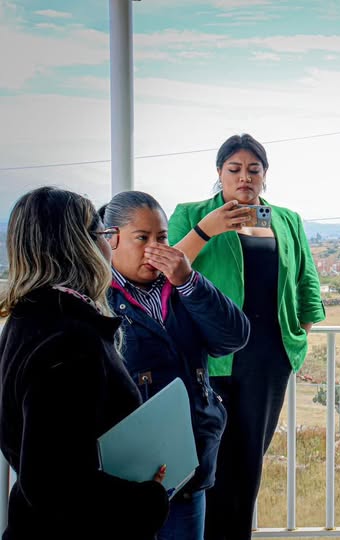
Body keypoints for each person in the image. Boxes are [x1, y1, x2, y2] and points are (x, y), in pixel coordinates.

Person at [168, 133, 325, 540]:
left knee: (248, 461)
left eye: (253, 170)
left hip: (268, 359)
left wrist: (298, 338)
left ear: (265, 175)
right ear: (219, 174)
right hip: (209, 356)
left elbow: (306, 280)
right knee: (209, 459)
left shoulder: (286, 220)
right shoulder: (192, 214)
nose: (244, 178)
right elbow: (167, 270)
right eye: (234, 169)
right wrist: (208, 228)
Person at [0, 187, 169, 539]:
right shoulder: (70, 341)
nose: (108, 245)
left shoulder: (27, 320)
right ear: (82, 245)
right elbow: (54, 484)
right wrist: (146, 500)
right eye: (104, 235)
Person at [100, 191, 250, 540]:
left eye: (162, 237)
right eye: (142, 238)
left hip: (188, 467)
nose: (156, 248)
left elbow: (233, 337)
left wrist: (189, 282)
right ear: (112, 239)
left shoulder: (183, 288)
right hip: (124, 478)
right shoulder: (97, 298)